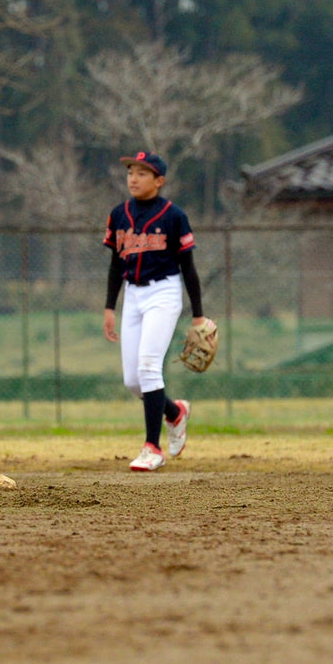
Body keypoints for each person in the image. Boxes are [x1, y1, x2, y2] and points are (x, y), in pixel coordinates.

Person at [102, 151, 208, 471]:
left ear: (159, 181)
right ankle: (175, 413)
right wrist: (110, 307)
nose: (133, 178)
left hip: (164, 292)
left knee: (149, 367)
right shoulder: (118, 214)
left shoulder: (174, 216)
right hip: (132, 295)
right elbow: (115, 264)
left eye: (142, 173)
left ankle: (152, 448)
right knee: (134, 381)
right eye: (131, 172)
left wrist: (199, 315)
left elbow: (188, 267)